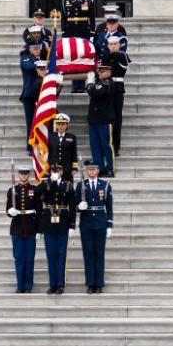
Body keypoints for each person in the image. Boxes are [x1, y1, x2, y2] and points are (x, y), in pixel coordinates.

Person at [36, 164, 76, 294]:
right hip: (48, 224)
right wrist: (48, 181)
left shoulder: (68, 185)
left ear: (62, 171)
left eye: (57, 170)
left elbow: (73, 206)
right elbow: (36, 193)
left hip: (63, 223)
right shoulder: (46, 184)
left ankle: (60, 284)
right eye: (53, 170)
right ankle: (52, 284)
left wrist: (72, 225)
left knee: (61, 255)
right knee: (51, 255)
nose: (55, 172)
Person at [76, 160, 113, 294]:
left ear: (97, 170)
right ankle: (90, 283)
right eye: (89, 169)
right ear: (86, 171)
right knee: (88, 253)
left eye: (94, 169)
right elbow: (75, 204)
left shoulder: (105, 185)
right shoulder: (81, 185)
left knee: (99, 253)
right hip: (86, 223)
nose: (91, 171)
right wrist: (78, 207)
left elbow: (109, 207)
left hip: (100, 222)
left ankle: (99, 283)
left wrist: (109, 224)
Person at [6, 165, 40, 293]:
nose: (24, 176)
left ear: (29, 175)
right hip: (17, 228)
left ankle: (28, 285)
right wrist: (11, 211)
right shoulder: (12, 190)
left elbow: (39, 211)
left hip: (31, 227)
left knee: (29, 258)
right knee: (19, 258)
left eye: (26, 173)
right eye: (22, 173)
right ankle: (20, 285)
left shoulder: (34, 190)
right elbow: (7, 211)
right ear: (18, 174)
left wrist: (39, 229)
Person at [101, 36, 131, 157]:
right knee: (107, 118)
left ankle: (116, 146)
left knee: (117, 119)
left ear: (119, 45)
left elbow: (125, 65)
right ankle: (107, 144)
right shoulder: (105, 56)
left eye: (115, 44)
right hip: (107, 89)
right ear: (108, 46)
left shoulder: (122, 55)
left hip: (118, 89)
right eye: (111, 44)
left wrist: (111, 55)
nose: (113, 46)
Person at [87, 63, 116, 177]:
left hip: (104, 120)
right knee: (95, 146)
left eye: (102, 71)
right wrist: (92, 86)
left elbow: (96, 92)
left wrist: (89, 84)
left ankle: (110, 168)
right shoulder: (99, 83)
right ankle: (100, 168)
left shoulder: (108, 83)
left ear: (109, 72)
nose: (99, 73)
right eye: (99, 71)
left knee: (107, 146)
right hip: (94, 120)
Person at [19, 42, 43, 144]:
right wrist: (43, 66)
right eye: (34, 48)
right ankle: (31, 146)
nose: (36, 49)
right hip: (29, 95)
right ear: (29, 49)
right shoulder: (26, 58)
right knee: (31, 121)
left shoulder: (43, 59)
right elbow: (29, 67)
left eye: (38, 48)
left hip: (42, 94)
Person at [47, 113, 79, 183]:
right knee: (53, 187)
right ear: (56, 125)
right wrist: (47, 167)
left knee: (67, 188)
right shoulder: (51, 137)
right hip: (54, 168)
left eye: (63, 124)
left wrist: (74, 168)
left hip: (67, 168)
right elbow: (48, 152)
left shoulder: (72, 137)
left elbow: (74, 154)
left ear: (67, 125)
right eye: (59, 124)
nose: (61, 126)